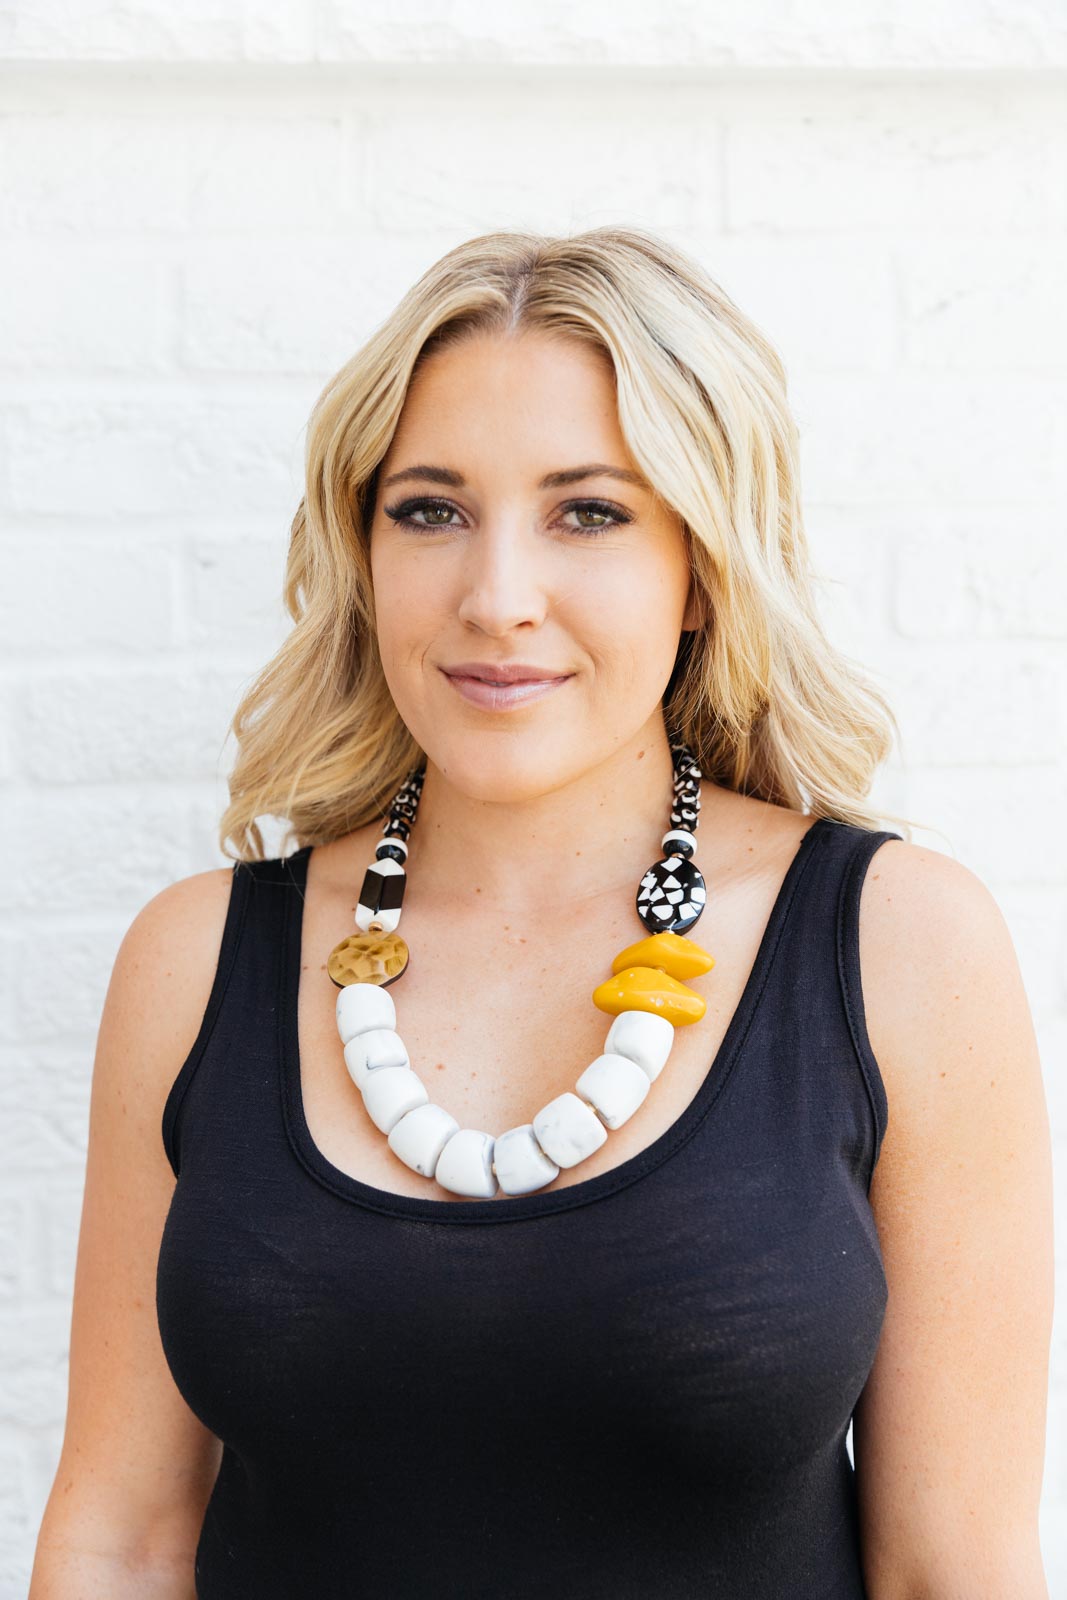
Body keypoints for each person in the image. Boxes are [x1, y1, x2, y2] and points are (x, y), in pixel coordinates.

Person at [30, 226, 1053, 1599]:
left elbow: (955, 1570)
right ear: (362, 552)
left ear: (704, 568)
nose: (497, 599)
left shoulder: (900, 947)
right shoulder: (196, 959)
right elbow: (120, 1539)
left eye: (590, 513)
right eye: (429, 511)